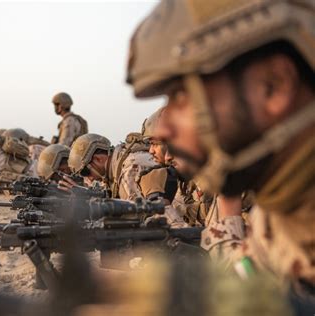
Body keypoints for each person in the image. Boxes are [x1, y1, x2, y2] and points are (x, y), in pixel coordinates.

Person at [127, 0, 315, 309]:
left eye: (182, 95)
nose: (162, 132)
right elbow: (247, 286)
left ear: (274, 86)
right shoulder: (281, 210)